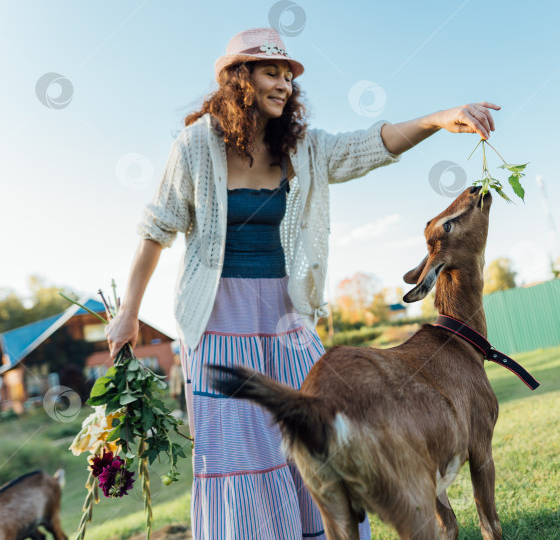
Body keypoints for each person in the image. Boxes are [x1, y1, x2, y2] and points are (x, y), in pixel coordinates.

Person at [105, 26, 499, 540]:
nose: (284, 84)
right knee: (236, 452)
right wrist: (128, 312)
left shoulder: (302, 149)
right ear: (237, 78)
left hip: (285, 313)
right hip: (216, 318)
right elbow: (155, 231)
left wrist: (438, 119)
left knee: (312, 435)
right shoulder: (196, 146)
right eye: (271, 72)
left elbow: (370, 146)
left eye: (288, 75)